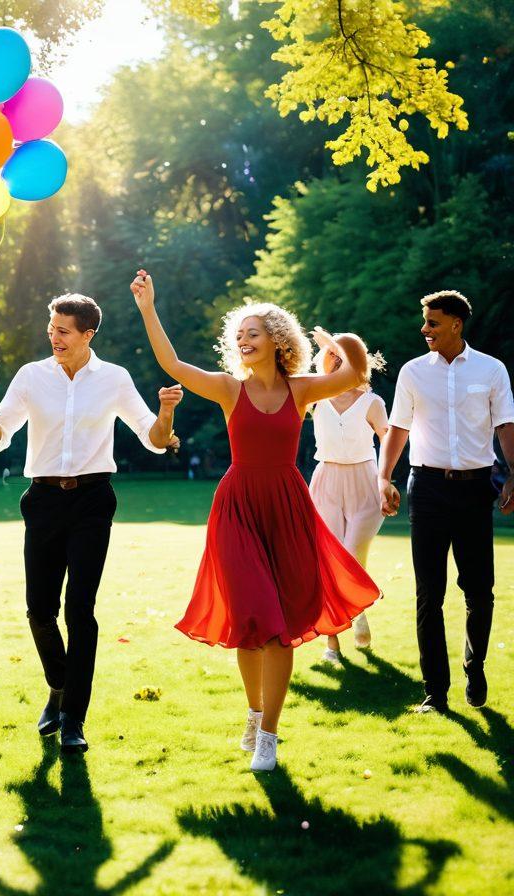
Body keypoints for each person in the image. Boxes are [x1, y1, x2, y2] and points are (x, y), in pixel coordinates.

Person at [131, 272, 380, 771]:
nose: (243, 340)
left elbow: (356, 371)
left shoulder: (302, 389)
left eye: (254, 333)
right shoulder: (229, 389)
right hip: (238, 509)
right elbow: (173, 364)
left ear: (278, 341)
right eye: (239, 334)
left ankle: (268, 735)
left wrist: (337, 342)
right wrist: (148, 308)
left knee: (280, 627)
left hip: (287, 508)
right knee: (252, 620)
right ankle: (254, 712)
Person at [0, 293, 182, 754]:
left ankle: (73, 718)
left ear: (88, 334)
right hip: (43, 500)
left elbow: (153, 439)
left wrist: (166, 412)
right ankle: (59, 686)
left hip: (92, 501)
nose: (54, 337)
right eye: (52, 328)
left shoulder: (114, 378)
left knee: (80, 611)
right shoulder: (31, 376)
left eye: (63, 330)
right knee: (39, 610)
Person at [379, 290, 514, 713]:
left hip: (475, 490)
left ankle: (475, 667)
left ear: (456, 324)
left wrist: (513, 472)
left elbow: (505, 424)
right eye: (425, 322)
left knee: (480, 591)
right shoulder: (413, 372)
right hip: (428, 489)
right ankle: (435, 692)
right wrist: (384, 477)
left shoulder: (491, 369)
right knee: (429, 594)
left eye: (432, 322)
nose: (425, 329)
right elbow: (398, 428)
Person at [308, 334, 390, 663]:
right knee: (329, 563)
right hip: (326, 483)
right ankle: (332, 645)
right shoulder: (314, 396)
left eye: (343, 353)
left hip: (365, 483)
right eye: (331, 353)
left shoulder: (372, 402)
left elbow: (388, 440)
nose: (336, 358)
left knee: (352, 558)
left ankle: (359, 608)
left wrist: (386, 480)